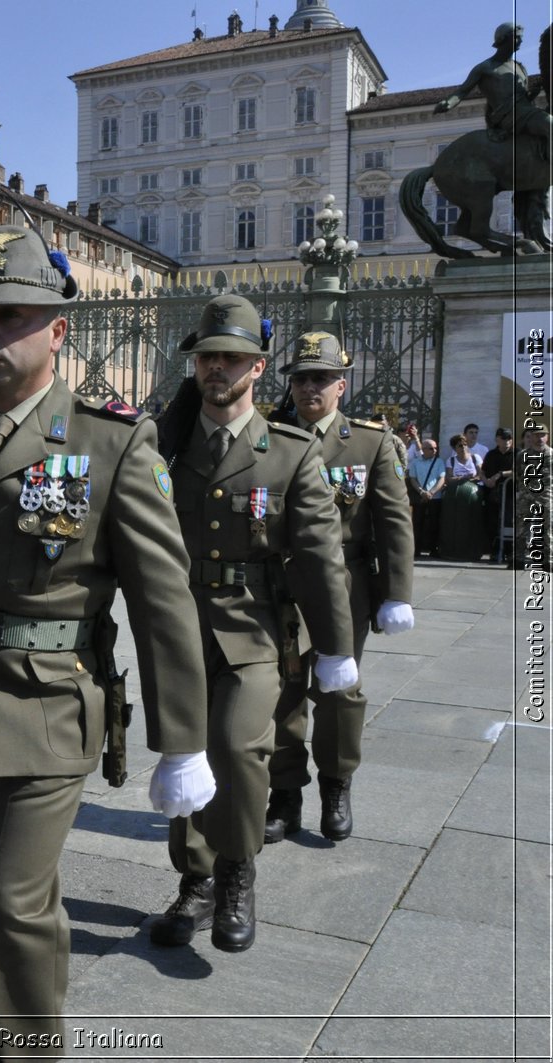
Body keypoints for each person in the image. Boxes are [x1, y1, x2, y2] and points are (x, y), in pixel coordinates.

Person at [0, 224, 213, 1054]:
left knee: (12, 897)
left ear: (58, 331)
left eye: (12, 316)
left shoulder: (111, 442)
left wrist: (181, 741)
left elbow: (162, 596)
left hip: (47, 704)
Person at [149, 295, 356, 953]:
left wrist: (335, 649)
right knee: (186, 751)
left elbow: (322, 557)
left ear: (258, 366)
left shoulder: (288, 453)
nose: (217, 368)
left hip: (255, 631)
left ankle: (236, 871)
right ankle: (195, 880)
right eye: (208, 356)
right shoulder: (166, 445)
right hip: (180, 629)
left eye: (232, 357)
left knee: (237, 748)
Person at [263, 333, 415, 846]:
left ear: (340, 386)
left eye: (321, 379)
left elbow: (394, 522)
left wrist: (397, 593)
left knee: (339, 692)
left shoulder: (372, 442)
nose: (310, 388)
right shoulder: (271, 435)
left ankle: (336, 782)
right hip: (282, 583)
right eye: (302, 378)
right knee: (283, 691)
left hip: (344, 585)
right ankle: (284, 793)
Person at [435, 22, 552, 159]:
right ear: (503, 39)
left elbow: (521, 97)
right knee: (550, 124)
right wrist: (448, 103)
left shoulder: (520, 68)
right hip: (509, 116)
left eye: (521, 37)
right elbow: (462, 91)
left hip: (526, 112)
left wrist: (531, 95)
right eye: (516, 37)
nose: (520, 41)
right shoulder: (485, 68)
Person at [438, 433, 487, 560]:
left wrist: (472, 479)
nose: (464, 447)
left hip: (473, 495)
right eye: (460, 445)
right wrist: (464, 478)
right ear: (455, 448)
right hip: (455, 498)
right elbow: (449, 478)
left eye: (465, 444)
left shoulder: (475, 458)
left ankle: (472, 550)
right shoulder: (451, 460)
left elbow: (480, 475)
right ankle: (452, 550)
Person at [514, 423, 550, 570]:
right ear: (531, 437)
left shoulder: (551, 455)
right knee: (521, 528)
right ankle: (518, 560)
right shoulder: (522, 455)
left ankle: (548, 561)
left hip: (546, 496)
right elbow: (518, 474)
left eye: (542, 435)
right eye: (536, 435)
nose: (539, 438)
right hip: (526, 496)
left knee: (548, 530)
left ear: (547, 437)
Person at [408, 437, 446, 555]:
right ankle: (416, 549)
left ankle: (433, 549)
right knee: (417, 523)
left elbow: (442, 479)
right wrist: (421, 492)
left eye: (435, 448)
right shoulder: (415, 462)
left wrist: (432, 492)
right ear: (423, 449)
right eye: (431, 448)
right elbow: (412, 479)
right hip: (420, 497)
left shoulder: (439, 462)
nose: (434, 450)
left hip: (435, 497)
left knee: (434, 524)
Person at [482, 427, 516, 556]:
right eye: (504, 438)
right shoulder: (491, 454)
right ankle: (494, 550)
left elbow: (519, 470)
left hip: (509, 494)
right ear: (497, 440)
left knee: (508, 522)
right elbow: (483, 471)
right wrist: (486, 480)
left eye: (509, 438)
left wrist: (500, 474)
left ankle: (509, 551)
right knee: (492, 522)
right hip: (492, 494)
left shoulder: (517, 453)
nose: (507, 441)